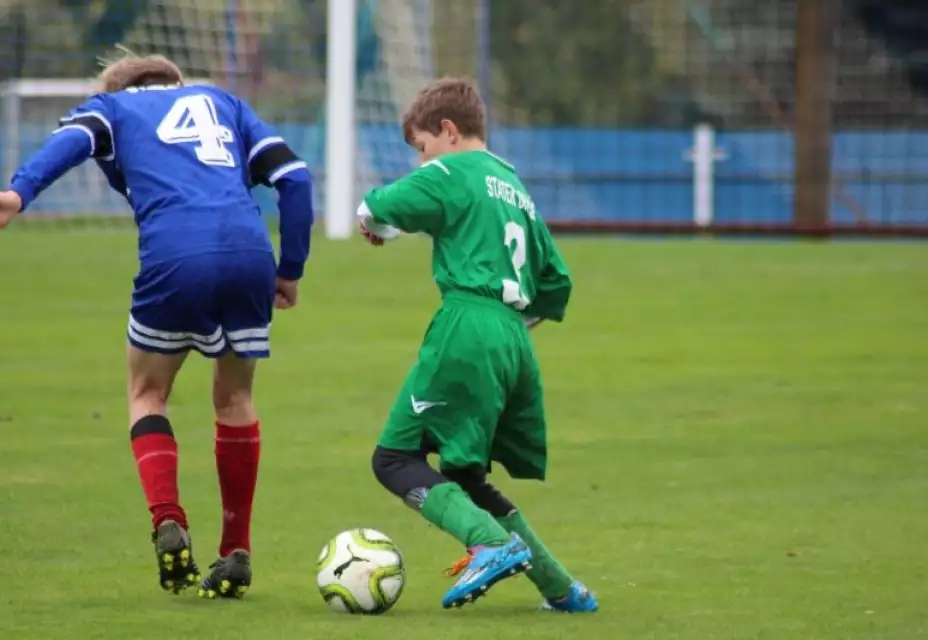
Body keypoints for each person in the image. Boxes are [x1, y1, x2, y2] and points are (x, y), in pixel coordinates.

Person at [0, 52, 314, 600]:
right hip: (248, 251)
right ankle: (235, 550)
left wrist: (19, 192)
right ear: (175, 82)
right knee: (235, 400)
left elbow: (73, 142)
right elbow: (295, 178)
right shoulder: (225, 102)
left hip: (174, 256)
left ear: (122, 87)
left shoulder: (113, 108)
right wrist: (290, 269)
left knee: (147, 394)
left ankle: (168, 518)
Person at [357, 76, 598, 612]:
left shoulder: (452, 169)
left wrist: (375, 224)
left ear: (447, 130)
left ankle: (487, 543)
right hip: (514, 337)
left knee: (393, 458)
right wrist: (505, 328)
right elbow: (556, 281)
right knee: (465, 476)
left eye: (422, 147)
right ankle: (562, 588)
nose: (423, 161)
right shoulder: (515, 187)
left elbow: (379, 204)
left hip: (468, 324)